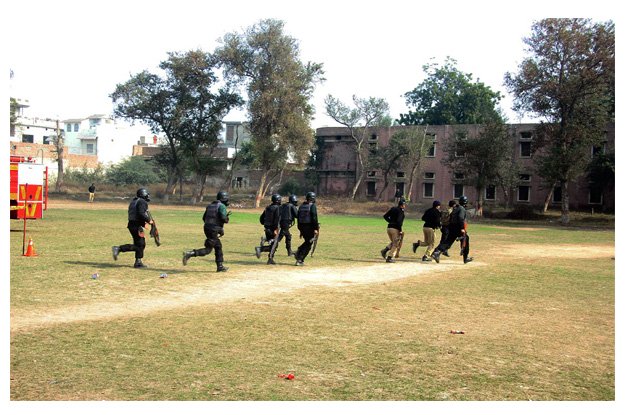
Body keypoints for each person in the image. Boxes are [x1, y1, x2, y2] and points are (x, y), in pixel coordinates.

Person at [182, 191, 231, 272]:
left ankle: (220, 266)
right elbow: (223, 218)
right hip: (213, 229)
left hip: (207, 228)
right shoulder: (221, 206)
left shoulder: (210, 205)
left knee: (218, 246)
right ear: (224, 198)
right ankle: (190, 253)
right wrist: (226, 219)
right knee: (208, 250)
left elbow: (204, 218)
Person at [112, 188, 154, 269]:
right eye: (146, 194)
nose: (147, 196)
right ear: (143, 194)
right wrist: (149, 221)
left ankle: (138, 262)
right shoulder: (142, 202)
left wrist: (143, 224)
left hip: (132, 224)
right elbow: (141, 213)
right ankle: (118, 249)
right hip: (136, 225)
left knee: (139, 244)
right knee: (140, 245)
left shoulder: (134, 201)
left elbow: (136, 214)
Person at [432, 195, 473, 264]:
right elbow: (460, 218)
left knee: (448, 241)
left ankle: (437, 252)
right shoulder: (462, 209)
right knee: (466, 238)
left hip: (452, 227)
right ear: (465, 202)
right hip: (458, 227)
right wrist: (462, 228)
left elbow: (451, 217)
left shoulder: (455, 208)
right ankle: (465, 257)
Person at [255, 194, 282, 265]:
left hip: (267, 228)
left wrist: (265, 224)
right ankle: (261, 250)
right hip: (273, 229)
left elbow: (261, 218)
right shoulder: (278, 208)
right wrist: (276, 229)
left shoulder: (268, 207)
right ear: (278, 200)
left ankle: (270, 259)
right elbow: (277, 219)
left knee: (273, 245)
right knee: (274, 245)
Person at [294, 192, 320, 266]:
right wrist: (316, 228)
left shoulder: (301, 206)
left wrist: (300, 230)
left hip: (302, 227)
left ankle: (299, 251)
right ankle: (300, 259)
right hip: (309, 227)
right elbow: (314, 217)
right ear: (312, 198)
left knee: (307, 241)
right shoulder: (312, 206)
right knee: (309, 243)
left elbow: (298, 218)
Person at [381, 197, 406, 263]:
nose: (405, 206)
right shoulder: (401, 211)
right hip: (395, 229)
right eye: (404, 205)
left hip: (389, 228)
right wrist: (400, 230)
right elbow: (399, 222)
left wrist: (390, 222)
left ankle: (385, 250)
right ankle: (389, 258)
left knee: (394, 242)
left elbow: (385, 216)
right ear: (402, 205)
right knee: (396, 244)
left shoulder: (393, 209)